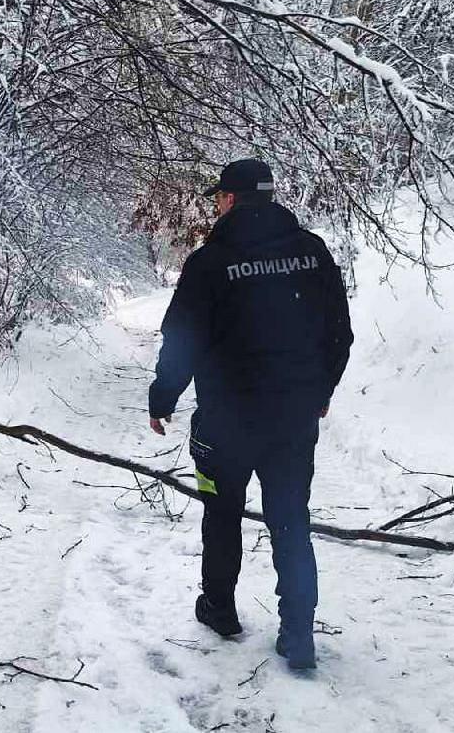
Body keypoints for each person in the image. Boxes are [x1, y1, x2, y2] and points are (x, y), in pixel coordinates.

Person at [148, 158, 352, 671]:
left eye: (220, 196)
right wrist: (321, 389)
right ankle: (298, 633)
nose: (217, 203)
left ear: (231, 200)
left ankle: (219, 608)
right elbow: (339, 332)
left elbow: (183, 338)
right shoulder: (311, 252)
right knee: (290, 521)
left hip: (225, 423)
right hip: (293, 420)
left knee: (221, 514)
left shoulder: (210, 263)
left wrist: (164, 395)